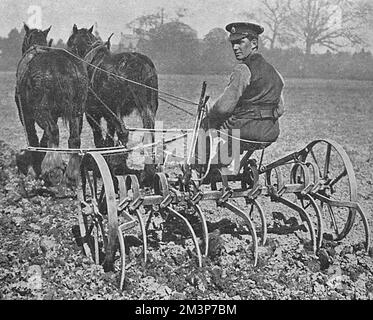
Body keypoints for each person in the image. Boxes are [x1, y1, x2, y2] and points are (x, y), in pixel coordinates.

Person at [198, 22, 285, 174]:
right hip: (270, 132)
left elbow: (223, 108)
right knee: (230, 132)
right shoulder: (275, 72)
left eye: (240, 42)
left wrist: (209, 112)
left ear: (254, 43)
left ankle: (201, 170)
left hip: (242, 131)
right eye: (233, 43)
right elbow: (281, 109)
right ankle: (228, 163)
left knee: (207, 123)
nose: (235, 47)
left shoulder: (243, 70)